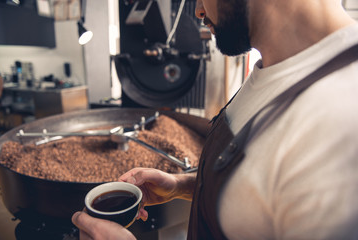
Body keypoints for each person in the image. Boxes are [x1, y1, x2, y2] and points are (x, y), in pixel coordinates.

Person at [72, 0, 358, 239]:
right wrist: (184, 185)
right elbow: (259, 193)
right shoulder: (275, 68)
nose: (198, 10)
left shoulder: (342, 117)